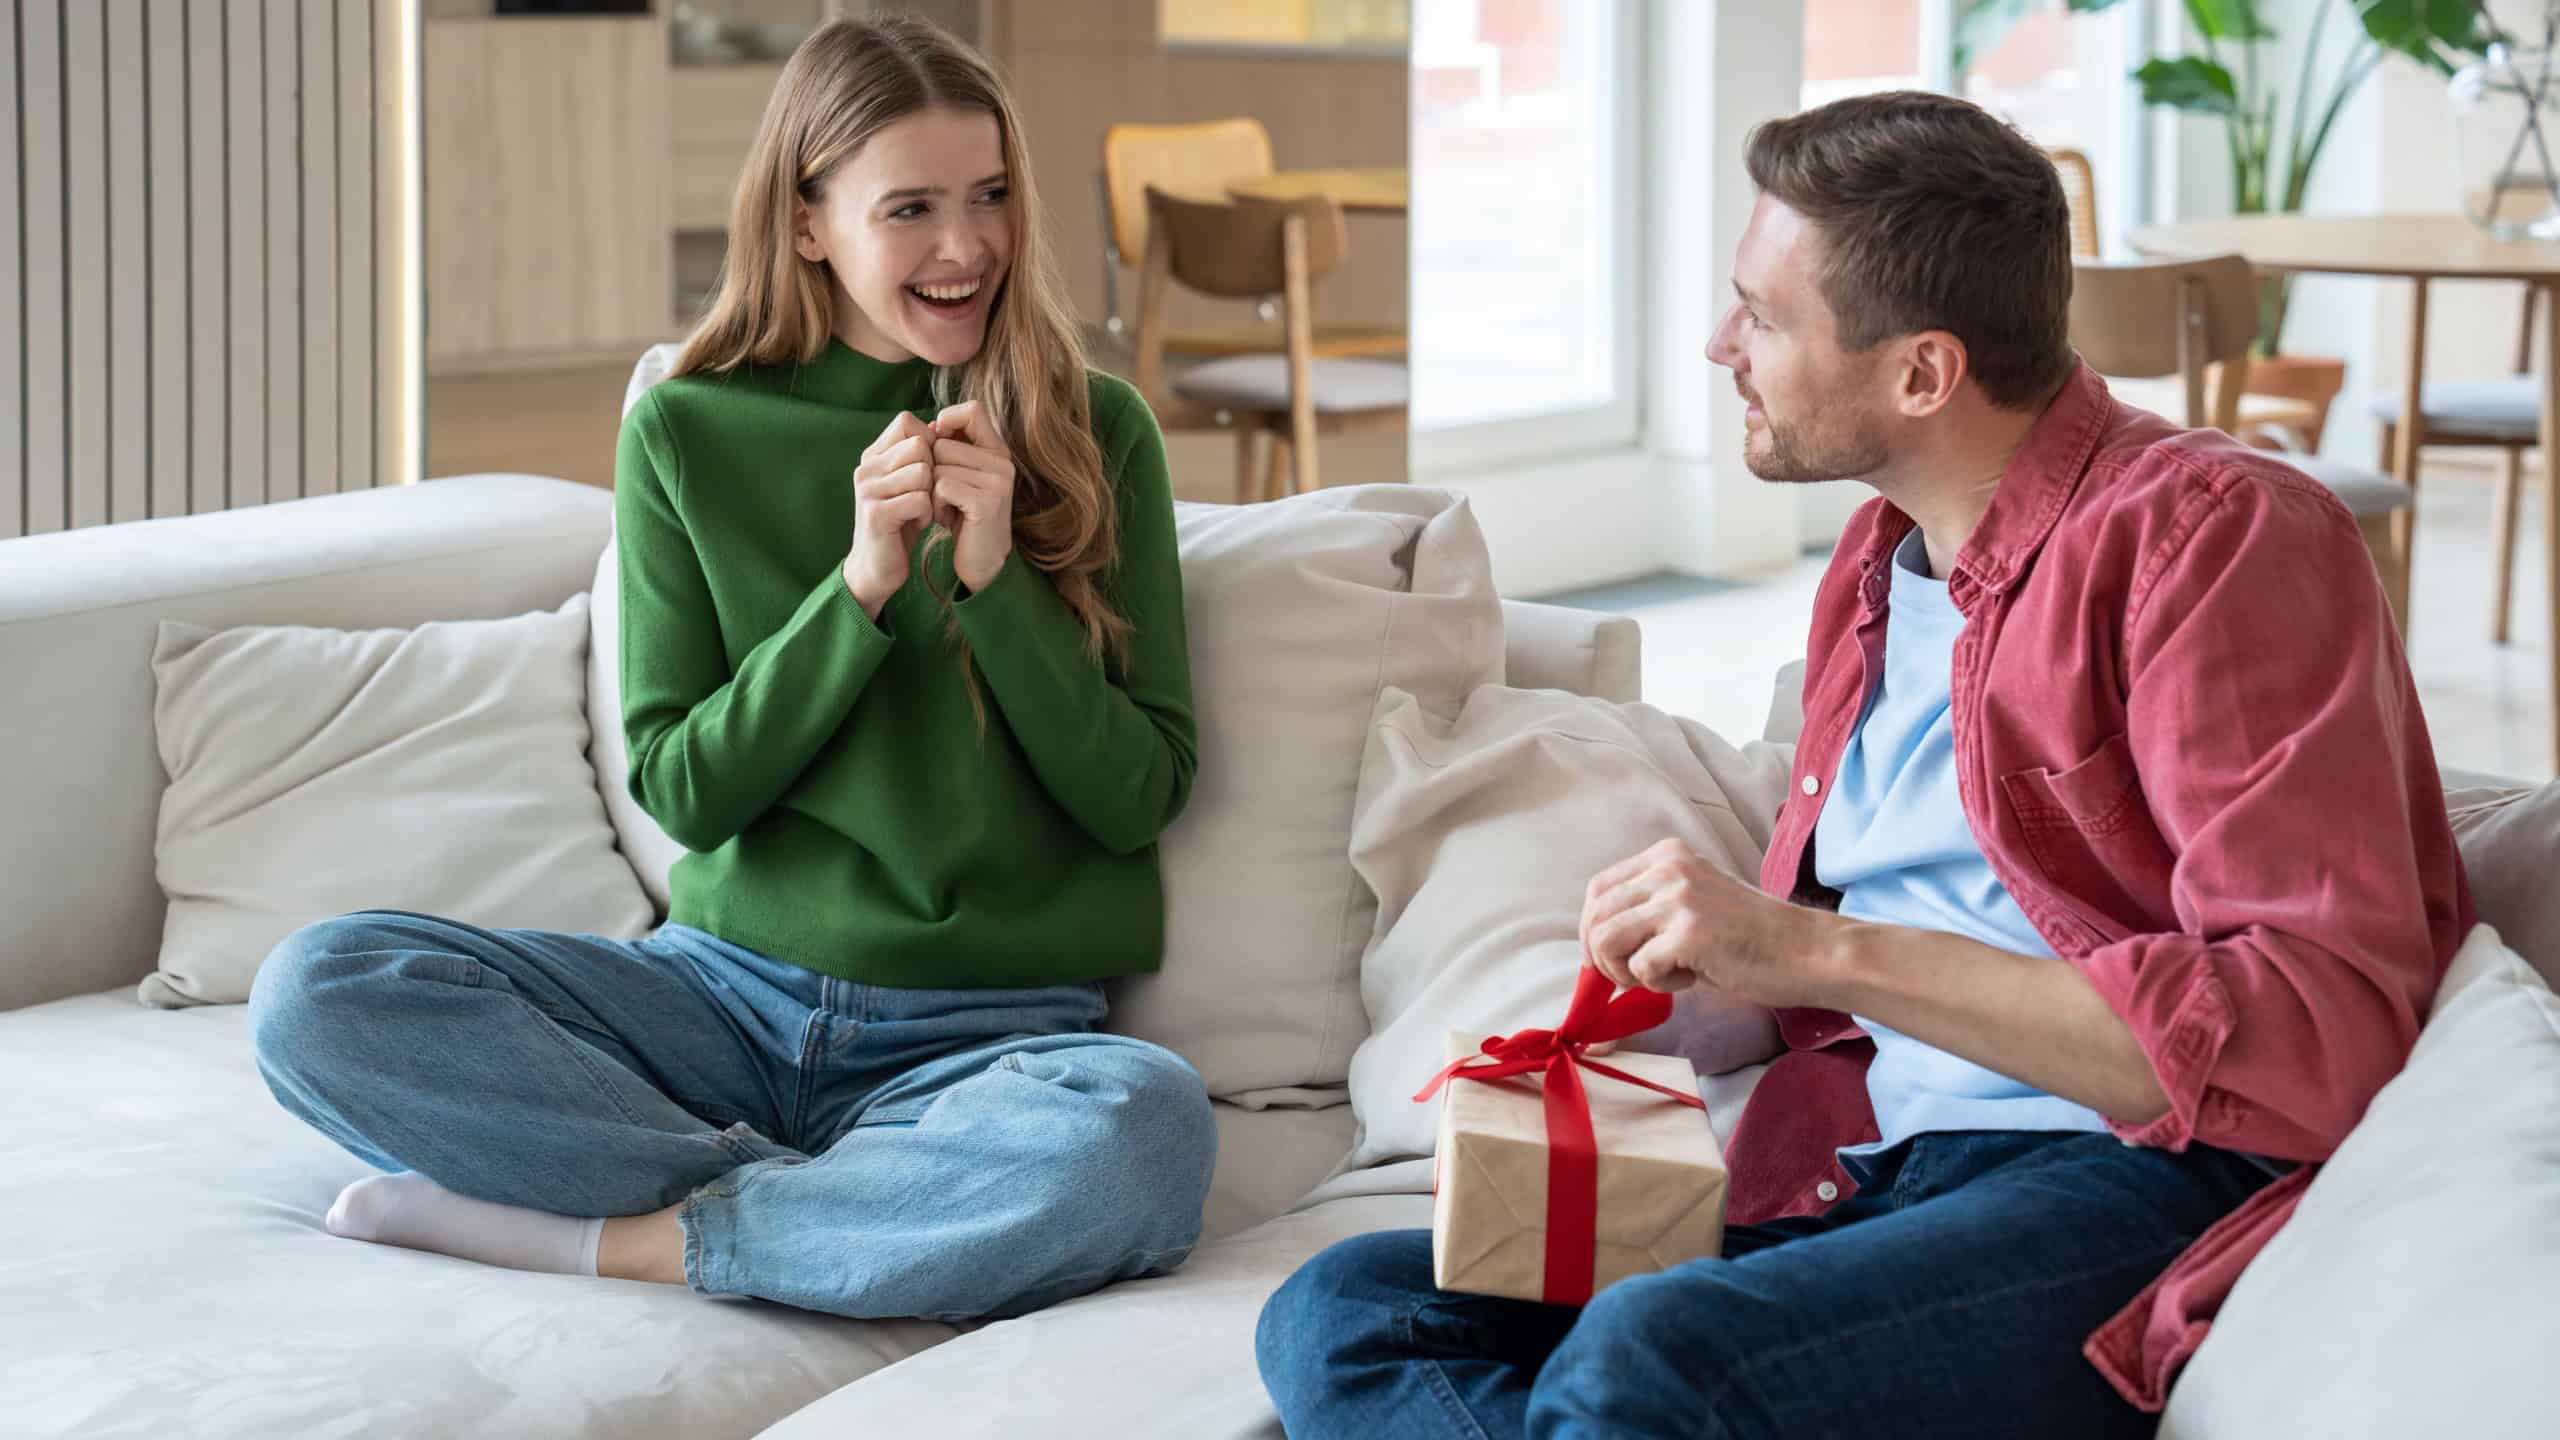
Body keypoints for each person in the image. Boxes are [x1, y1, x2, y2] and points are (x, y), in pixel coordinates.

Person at [1257, 90, 2469, 1437]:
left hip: (2118, 1180)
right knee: (1349, 1306)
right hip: (1864, 1169)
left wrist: (1809, 953)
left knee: (1653, 1363)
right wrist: (1697, 992)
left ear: (1922, 373)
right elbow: (1881, 936)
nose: (1723, 345)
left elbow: (2319, 1027)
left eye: (1764, 317)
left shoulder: (2219, 541)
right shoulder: (1879, 566)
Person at [247, 15, 1215, 1325]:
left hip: (994, 1036)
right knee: (319, 991)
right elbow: (685, 792)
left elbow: (1138, 795)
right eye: (912, 207)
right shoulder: (687, 431)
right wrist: (861, 585)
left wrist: (997, 591)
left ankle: (642, 1238)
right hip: (717, 1001)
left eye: (990, 197)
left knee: (1144, 1131)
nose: (966, 244)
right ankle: (841, 1209)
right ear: (810, 221)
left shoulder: (1098, 431)